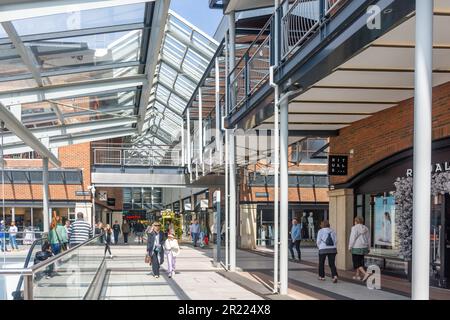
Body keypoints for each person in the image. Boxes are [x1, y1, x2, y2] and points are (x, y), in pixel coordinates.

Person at [349, 216, 371, 281]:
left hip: (356, 247)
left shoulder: (354, 228)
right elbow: (368, 238)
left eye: (354, 221)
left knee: (356, 263)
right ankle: (357, 275)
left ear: (356, 221)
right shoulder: (366, 228)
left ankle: (365, 274)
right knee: (360, 262)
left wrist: (350, 246)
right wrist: (369, 247)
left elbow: (352, 238)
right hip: (364, 247)